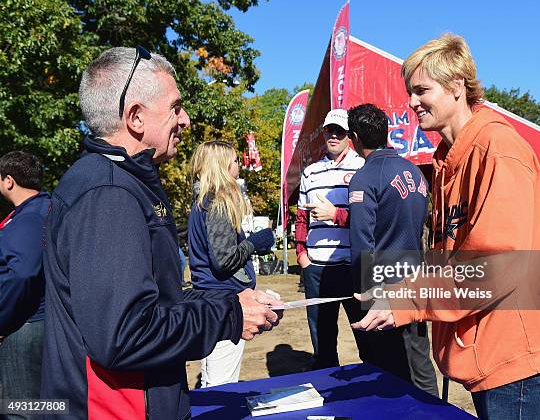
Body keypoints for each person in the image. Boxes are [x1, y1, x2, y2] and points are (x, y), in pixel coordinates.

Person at [352, 34, 540, 419]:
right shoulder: (446, 158)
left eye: (421, 90)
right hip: (487, 347)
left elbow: (495, 265)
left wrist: (408, 301)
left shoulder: (497, 148)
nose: (411, 103)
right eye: (409, 91)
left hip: (516, 352)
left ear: (457, 87)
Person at [41, 46, 282, 420]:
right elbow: (123, 335)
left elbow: (153, 304)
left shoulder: (119, 183)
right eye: (175, 107)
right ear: (135, 116)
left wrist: (227, 305)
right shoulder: (108, 193)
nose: (185, 119)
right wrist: (227, 314)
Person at [345, 103, 438, 396]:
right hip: (416, 278)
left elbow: (362, 241)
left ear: (355, 138)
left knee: (387, 370)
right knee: (420, 363)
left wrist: (367, 289)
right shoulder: (415, 172)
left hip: (383, 286)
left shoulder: (365, 177)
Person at [189, 140, 275, 387]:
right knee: (221, 381)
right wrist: (255, 242)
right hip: (222, 301)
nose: (239, 165)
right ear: (223, 165)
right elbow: (224, 261)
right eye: (236, 160)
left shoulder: (203, 202)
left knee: (212, 375)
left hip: (212, 298)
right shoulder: (216, 203)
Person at [295, 108, 366, 368]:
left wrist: (336, 214)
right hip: (317, 268)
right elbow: (301, 217)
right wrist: (302, 256)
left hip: (352, 266)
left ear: (350, 135)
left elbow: (367, 220)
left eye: (340, 131)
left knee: (366, 335)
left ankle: (369, 395)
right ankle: (327, 393)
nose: (334, 135)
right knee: (322, 340)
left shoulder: (362, 167)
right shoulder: (310, 172)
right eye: (329, 130)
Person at [0, 151, 49, 417]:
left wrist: (1, 319)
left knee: (21, 410)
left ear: (9, 181)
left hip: (25, 327)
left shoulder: (28, 219)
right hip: (40, 325)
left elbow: (23, 274)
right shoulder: (48, 209)